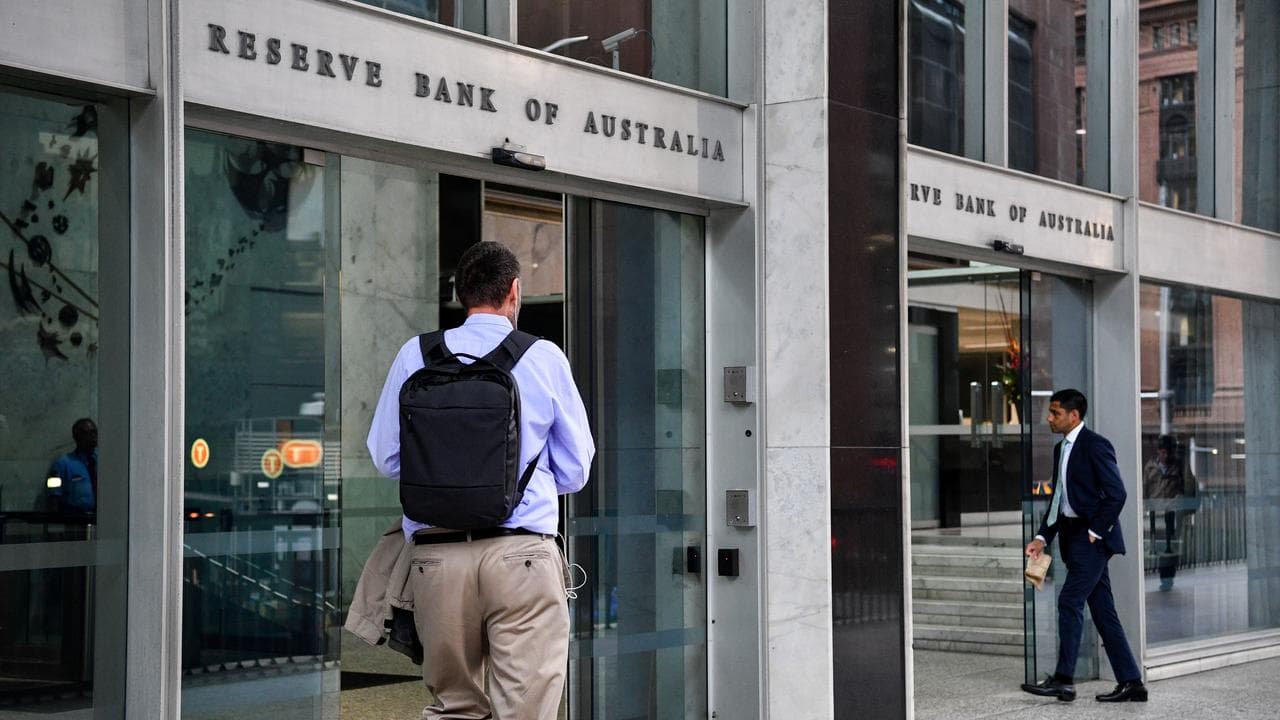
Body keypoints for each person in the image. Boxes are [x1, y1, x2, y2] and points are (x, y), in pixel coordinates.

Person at [367, 241, 595, 720]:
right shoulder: (542, 357)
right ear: (514, 292)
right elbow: (576, 470)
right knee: (525, 711)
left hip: (437, 560)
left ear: (458, 293)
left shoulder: (417, 353)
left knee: (454, 709)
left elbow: (387, 458)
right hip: (522, 560)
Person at [1022, 389, 1147, 703]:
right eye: (1050, 413)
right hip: (1070, 536)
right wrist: (1041, 538)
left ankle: (1064, 680)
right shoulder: (1059, 449)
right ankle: (1132, 682)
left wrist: (1096, 529)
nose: (1049, 418)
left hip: (1092, 540)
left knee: (1069, 600)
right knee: (1104, 613)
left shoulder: (1095, 445)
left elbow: (1117, 493)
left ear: (1073, 415)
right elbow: (1059, 499)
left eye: (1055, 413)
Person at [46, 417, 98, 514]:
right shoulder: (62, 464)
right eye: (88, 433)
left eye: (95, 432)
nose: (93, 436)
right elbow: (53, 497)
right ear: (77, 437)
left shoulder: (103, 462)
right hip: (75, 519)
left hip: (102, 518)